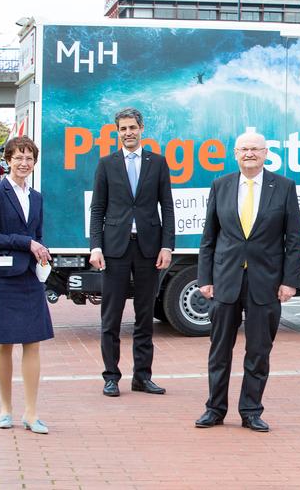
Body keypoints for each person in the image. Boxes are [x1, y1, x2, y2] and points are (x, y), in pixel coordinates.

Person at [195, 130, 300, 432]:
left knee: (258, 352)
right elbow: (209, 238)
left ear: (266, 153)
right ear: (235, 153)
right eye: (244, 149)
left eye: (255, 149)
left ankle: (251, 411)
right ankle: (214, 409)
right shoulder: (221, 186)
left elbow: (293, 239)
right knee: (219, 351)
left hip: (266, 283)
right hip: (225, 281)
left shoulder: (283, 187)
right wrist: (205, 278)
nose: (249, 154)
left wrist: (289, 281)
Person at [89, 107, 175, 398]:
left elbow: (168, 207)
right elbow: (98, 209)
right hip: (114, 250)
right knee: (111, 317)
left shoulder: (158, 163)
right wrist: (96, 247)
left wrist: (167, 245)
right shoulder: (106, 164)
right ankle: (111, 377)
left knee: (144, 316)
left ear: (142, 129)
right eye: (123, 129)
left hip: (149, 250)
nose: (128, 133)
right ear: (117, 132)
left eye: (132, 128)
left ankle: (142, 377)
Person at [0, 137, 53, 434]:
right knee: (4, 345)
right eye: (18, 157)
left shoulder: (37, 197)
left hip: (28, 278)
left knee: (32, 343)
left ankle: (32, 414)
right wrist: (27, 243)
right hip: (2, 280)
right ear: (8, 159)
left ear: (34, 163)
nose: (24, 163)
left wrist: (42, 254)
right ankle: (5, 410)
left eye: (29, 159)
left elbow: (38, 233)